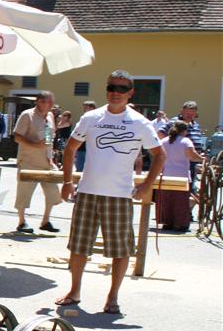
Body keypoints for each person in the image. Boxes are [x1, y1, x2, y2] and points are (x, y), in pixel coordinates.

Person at [57, 70, 165, 314]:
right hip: (87, 191)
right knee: (78, 246)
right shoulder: (91, 117)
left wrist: (147, 185)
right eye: (111, 87)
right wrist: (66, 181)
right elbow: (70, 149)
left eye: (121, 88)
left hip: (119, 195)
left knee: (121, 249)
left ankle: (112, 297)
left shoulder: (140, 122)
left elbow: (159, 155)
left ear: (130, 93)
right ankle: (74, 291)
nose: (115, 93)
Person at [13, 91, 61, 233]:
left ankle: (46, 221)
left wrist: (52, 156)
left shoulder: (51, 116)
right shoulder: (27, 115)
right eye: (48, 102)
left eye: (52, 102)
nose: (51, 105)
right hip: (29, 160)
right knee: (24, 193)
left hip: (47, 162)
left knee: (53, 193)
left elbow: (49, 137)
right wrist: (35, 145)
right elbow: (17, 137)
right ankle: (21, 222)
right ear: (38, 101)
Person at [156, 120, 203, 231]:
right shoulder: (186, 141)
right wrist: (202, 159)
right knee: (180, 201)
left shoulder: (164, 141)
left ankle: (167, 222)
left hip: (166, 174)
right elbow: (192, 156)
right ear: (184, 131)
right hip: (181, 175)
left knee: (167, 200)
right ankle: (180, 224)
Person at [172, 101, 205, 193]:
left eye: (192, 114)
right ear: (181, 111)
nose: (190, 116)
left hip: (192, 161)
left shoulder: (195, 124)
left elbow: (198, 139)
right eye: (187, 113)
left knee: (190, 187)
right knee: (182, 188)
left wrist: (201, 151)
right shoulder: (175, 122)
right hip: (180, 161)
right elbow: (160, 134)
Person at [74, 100, 97, 172]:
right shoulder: (83, 118)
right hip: (81, 148)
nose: (84, 109)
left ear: (92, 108)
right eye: (84, 107)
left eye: (86, 107)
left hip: (92, 149)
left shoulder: (98, 120)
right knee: (79, 170)